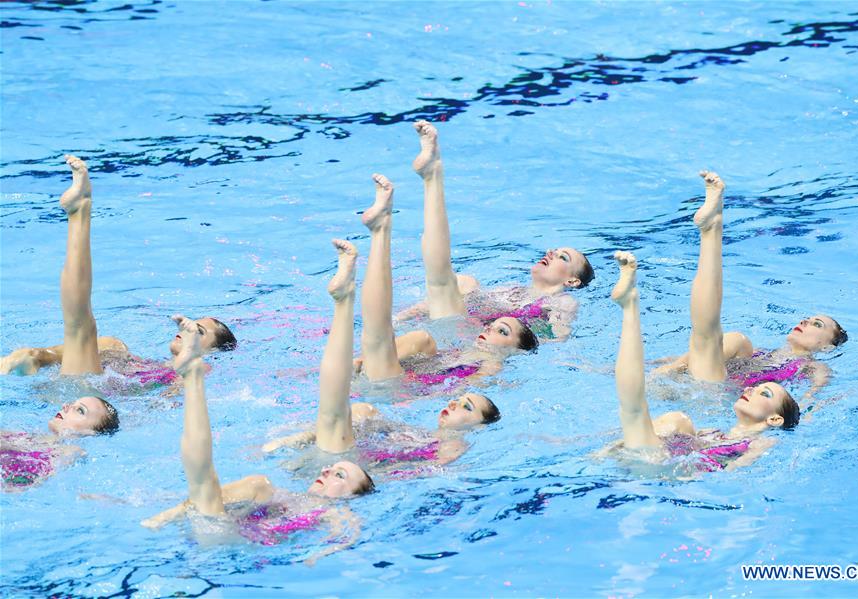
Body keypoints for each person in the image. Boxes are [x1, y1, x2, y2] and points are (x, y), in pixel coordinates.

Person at [142, 246, 372, 558]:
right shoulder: (279, 493)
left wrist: (320, 555)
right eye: (333, 469)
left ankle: (193, 373)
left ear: (350, 496)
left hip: (228, 542)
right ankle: (193, 374)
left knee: (333, 421)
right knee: (225, 483)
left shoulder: (335, 511)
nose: (328, 471)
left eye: (340, 476)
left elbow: (346, 533)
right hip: (221, 530)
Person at [0, 156, 237, 385]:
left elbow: (168, 404)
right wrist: (38, 355)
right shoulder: (142, 364)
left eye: (199, 332)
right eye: (192, 322)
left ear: (210, 353)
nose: (186, 328)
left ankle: (80, 211)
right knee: (111, 344)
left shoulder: (195, 371)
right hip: (76, 385)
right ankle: (31, 359)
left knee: (81, 327)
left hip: (90, 400)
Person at [651, 171, 847, 397]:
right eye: (810, 318)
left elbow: (813, 400)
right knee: (735, 343)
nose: (805, 320)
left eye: (817, 324)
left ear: (827, 346)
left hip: (715, 397)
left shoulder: (813, 367)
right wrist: (653, 365)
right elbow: (697, 353)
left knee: (729, 338)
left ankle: (713, 227)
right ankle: (713, 226)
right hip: (687, 386)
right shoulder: (759, 354)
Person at [396, 120, 595, 341]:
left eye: (562, 257)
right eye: (556, 250)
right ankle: (399, 319)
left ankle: (433, 176)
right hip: (462, 325)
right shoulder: (512, 289)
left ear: (572, 281)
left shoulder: (562, 302)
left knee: (454, 282)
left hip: (481, 341)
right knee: (464, 281)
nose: (550, 252)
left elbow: (559, 338)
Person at [601, 250, 799, 471]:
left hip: (670, 472)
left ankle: (630, 306)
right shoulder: (712, 432)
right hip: (656, 460)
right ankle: (630, 306)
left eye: (764, 393)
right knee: (672, 419)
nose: (751, 389)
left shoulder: (762, 441)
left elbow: (730, 475)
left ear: (774, 419)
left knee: (636, 410)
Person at [351, 174, 538, 387]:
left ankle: (382, 229)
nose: (488, 329)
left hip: (396, 388)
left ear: (517, 351)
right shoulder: (461, 351)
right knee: (421, 338)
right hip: (387, 372)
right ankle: (384, 226)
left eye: (502, 331)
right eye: (493, 326)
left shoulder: (491, 365)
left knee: (400, 336)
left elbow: (457, 394)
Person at [263, 390, 502, 474]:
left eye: (466, 407)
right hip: (361, 454)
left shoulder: (454, 446)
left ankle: (291, 443)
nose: (453, 404)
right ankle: (295, 439)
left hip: (360, 465)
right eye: (457, 399)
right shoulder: (425, 434)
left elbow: (422, 472)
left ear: (478, 426)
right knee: (363, 410)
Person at [2, 394, 119, 490]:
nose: (66, 406)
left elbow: (33, 486)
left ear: (90, 432)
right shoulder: (25, 436)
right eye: (72, 403)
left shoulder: (73, 452)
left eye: (80, 410)